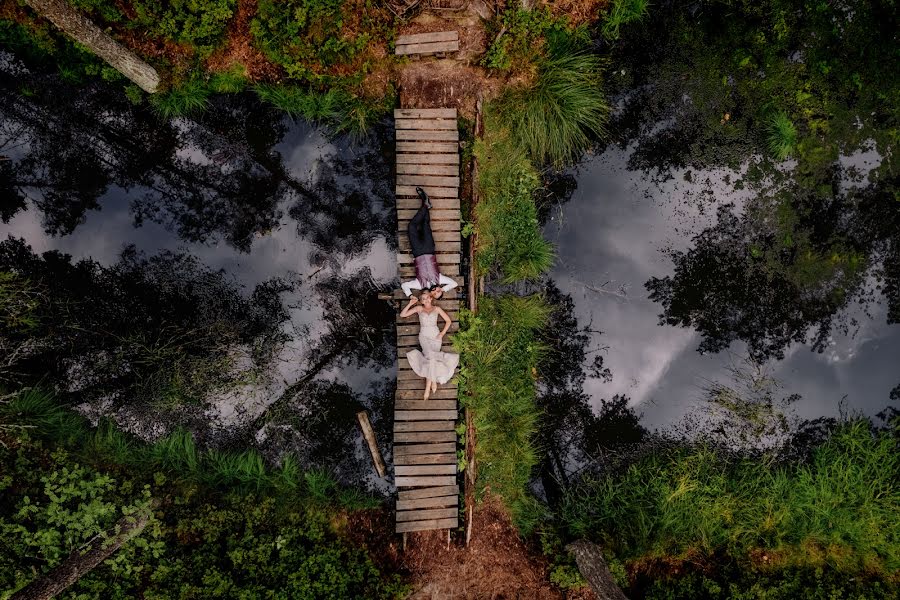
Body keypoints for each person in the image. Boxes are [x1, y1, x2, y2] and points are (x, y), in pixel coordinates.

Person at [399, 289, 459, 400]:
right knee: (431, 357)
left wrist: (442, 333)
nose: (426, 300)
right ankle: (431, 384)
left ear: (431, 298)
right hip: (424, 336)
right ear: (421, 301)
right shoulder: (419, 308)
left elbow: (448, 321)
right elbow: (403, 314)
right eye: (423, 299)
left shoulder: (437, 309)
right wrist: (410, 303)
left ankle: (429, 386)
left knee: (432, 359)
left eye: (427, 298)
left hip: (435, 336)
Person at [401, 187, 458, 298]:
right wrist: (444, 289)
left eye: (434, 294)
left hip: (417, 252)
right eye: (439, 292)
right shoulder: (440, 278)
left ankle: (426, 204)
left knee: (411, 227)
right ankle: (425, 203)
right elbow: (454, 283)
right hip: (429, 249)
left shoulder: (419, 285)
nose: (436, 291)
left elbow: (404, 285)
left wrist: (410, 295)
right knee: (425, 225)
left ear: (431, 294)